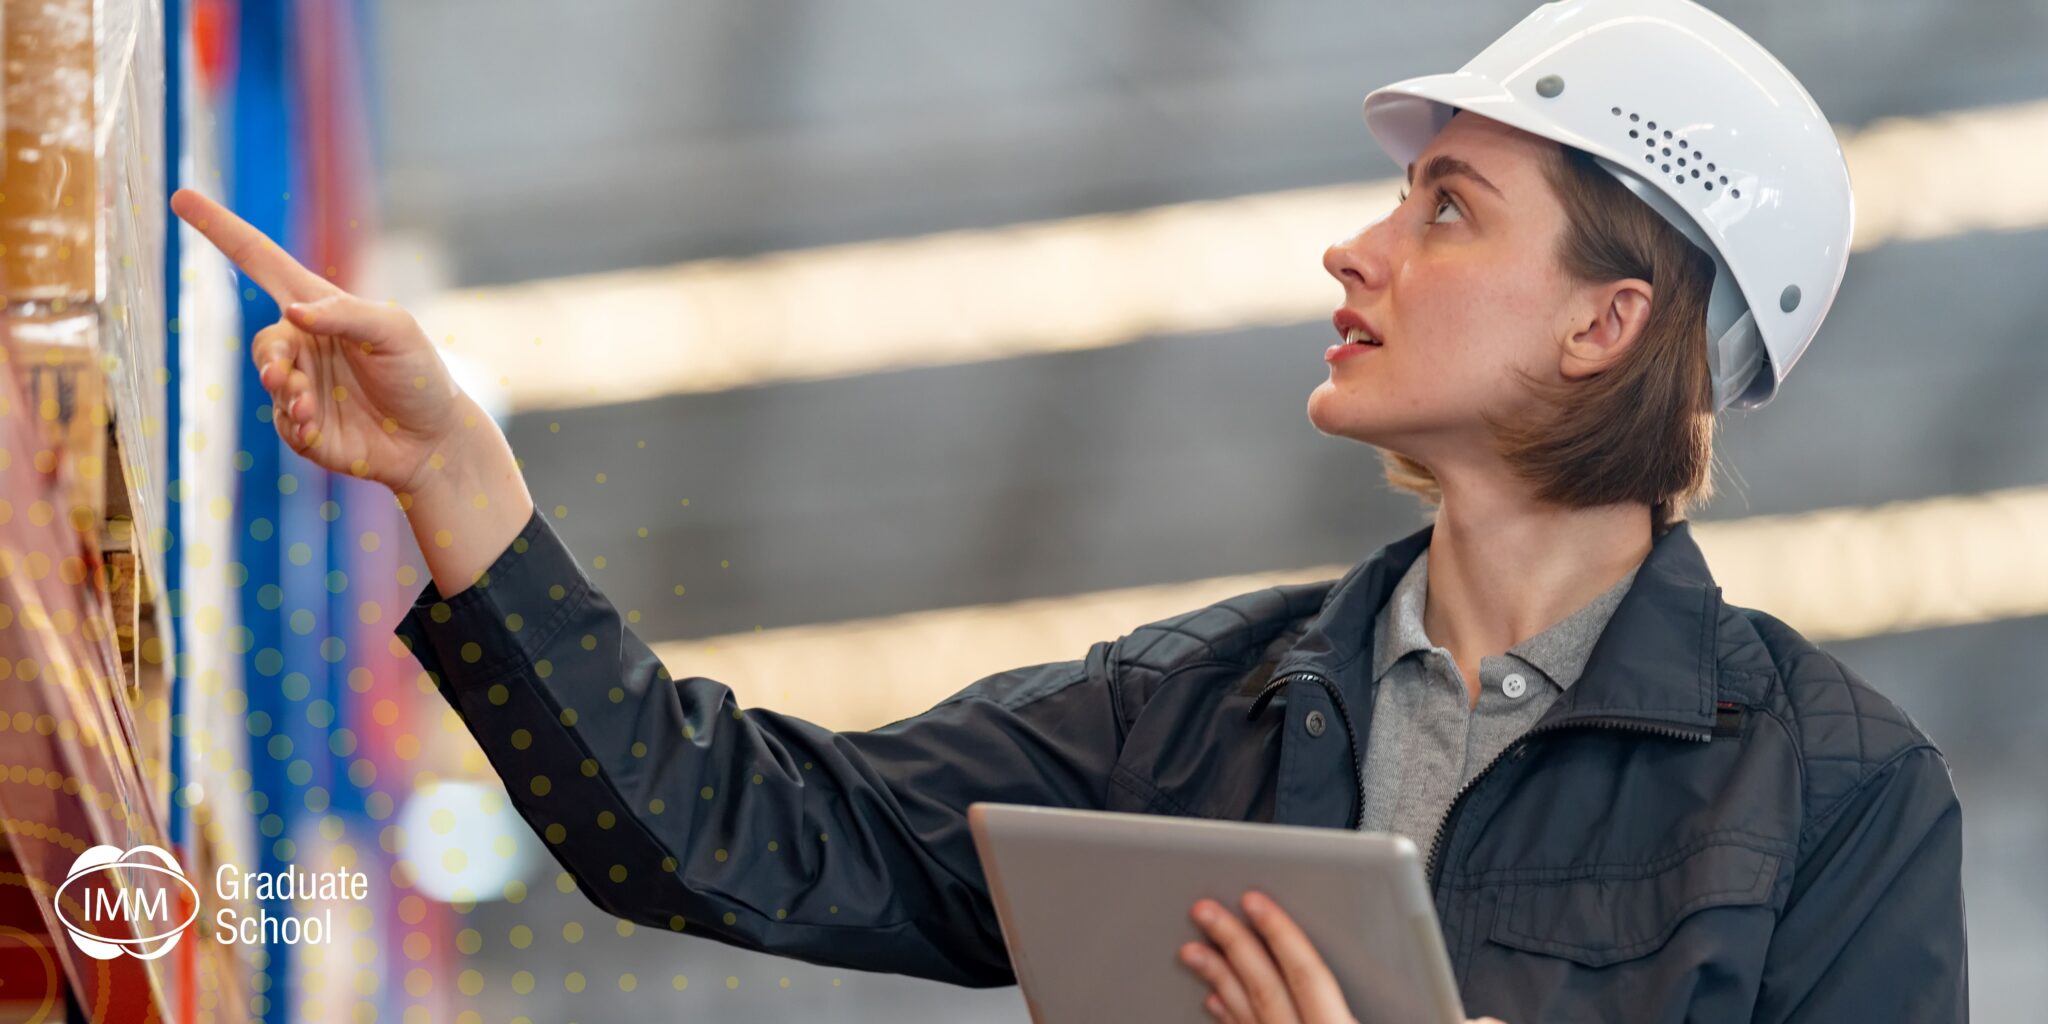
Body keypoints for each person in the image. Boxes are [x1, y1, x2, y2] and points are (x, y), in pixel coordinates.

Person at [173, 0, 1968, 1019]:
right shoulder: (1196, 712)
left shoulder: (1831, 790)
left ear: (1607, 321)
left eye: (1446, 205)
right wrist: (457, 480)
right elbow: (718, 828)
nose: (1355, 245)